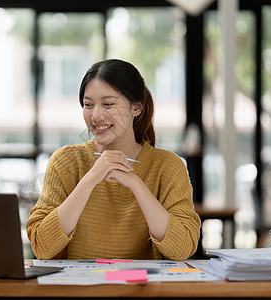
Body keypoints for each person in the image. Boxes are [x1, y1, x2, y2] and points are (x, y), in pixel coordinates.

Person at [26, 59, 200, 260]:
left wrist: (135, 182)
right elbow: (42, 247)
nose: (96, 115)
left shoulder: (168, 166)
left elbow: (182, 249)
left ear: (136, 108)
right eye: (88, 105)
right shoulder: (66, 161)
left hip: (143, 289)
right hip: (80, 289)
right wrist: (91, 178)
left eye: (108, 104)